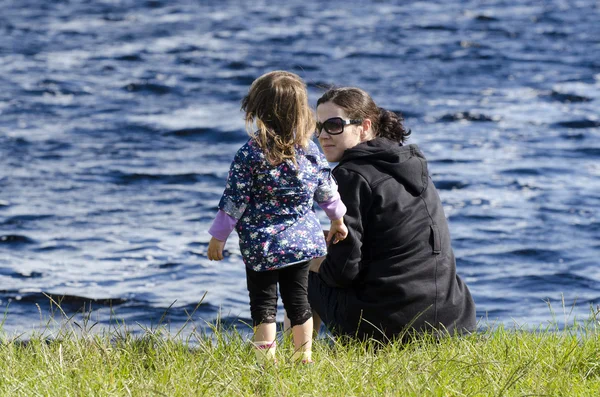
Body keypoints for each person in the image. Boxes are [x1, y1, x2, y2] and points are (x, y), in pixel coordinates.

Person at [308, 87, 476, 342]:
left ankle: (297, 357)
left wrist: (312, 260)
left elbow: (343, 272)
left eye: (333, 125)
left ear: (364, 127)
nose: (322, 135)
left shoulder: (350, 175)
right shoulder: (409, 164)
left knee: (297, 263)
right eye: (317, 126)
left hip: (390, 328)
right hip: (452, 319)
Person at [207, 71, 348, 364]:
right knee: (299, 301)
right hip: (301, 243)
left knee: (263, 304)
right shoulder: (309, 151)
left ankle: (265, 361)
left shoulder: (250, 154)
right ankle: (304, 355)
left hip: (263, 246)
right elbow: (327, 191)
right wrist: (337, 220)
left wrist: (218, 238)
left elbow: (234, 201)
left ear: (257, 110)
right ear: (301, 111)